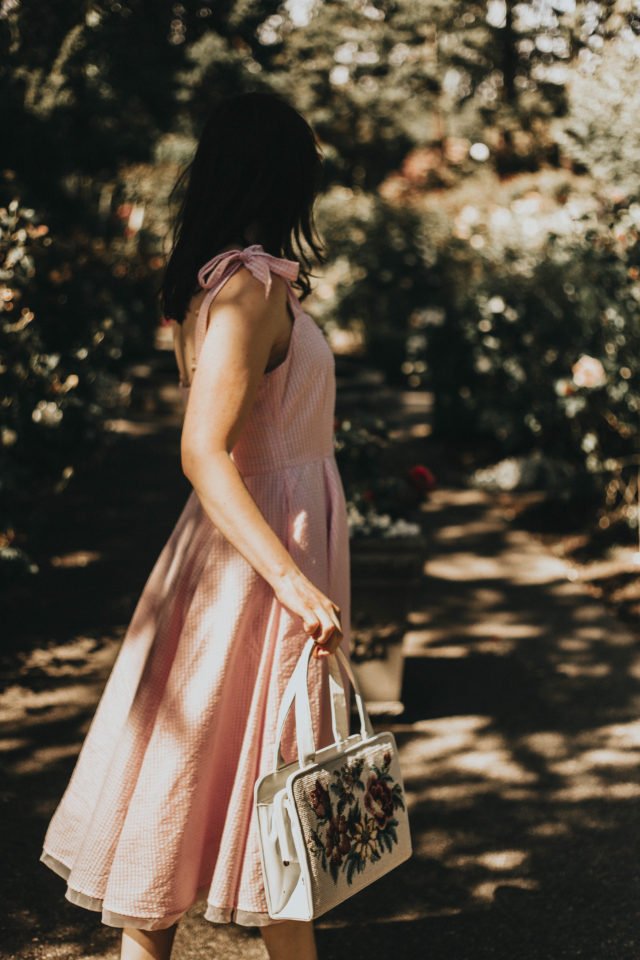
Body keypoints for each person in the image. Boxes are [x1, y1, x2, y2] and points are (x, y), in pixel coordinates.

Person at [38, 91, 352, 960]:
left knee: (241, 783)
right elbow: (204, 451)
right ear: (279, 178)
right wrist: (293, 581)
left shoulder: (230, 283)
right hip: (260, 559)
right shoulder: (247, 288)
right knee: (254, 783)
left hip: (262, 544)